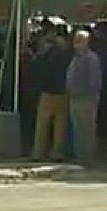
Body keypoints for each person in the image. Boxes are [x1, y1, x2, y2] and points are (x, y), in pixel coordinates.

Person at [30, 32, 71, 161]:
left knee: (43, 124)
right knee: (60, 124)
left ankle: (39, 152)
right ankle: (58, 152)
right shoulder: (67, 56)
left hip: (47, 92)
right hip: (63, 91)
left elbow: (37, 72)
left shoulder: (44, 57)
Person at [66, 29, 103, 165]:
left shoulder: (91, 58)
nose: (75, 44)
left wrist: (90, 96)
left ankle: (87, 157)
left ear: (85, 42)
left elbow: (94, 80)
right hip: (75, 97)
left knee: (86, 128)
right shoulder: (76, 57)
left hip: (86, 98)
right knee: (78, 128)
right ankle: (79, 155)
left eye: (78, 41)